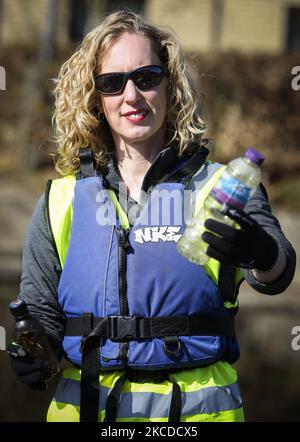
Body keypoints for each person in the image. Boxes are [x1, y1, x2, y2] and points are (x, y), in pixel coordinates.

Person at [8, 10, 296, 422]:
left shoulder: (223, 186)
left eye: (146, 78)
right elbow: (41, 314)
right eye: (112, 83)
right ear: (95, 96)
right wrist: (36, 354)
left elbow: (279, 273)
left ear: (170, 85)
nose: (131, 96)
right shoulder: (60, 198)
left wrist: (262, 253)